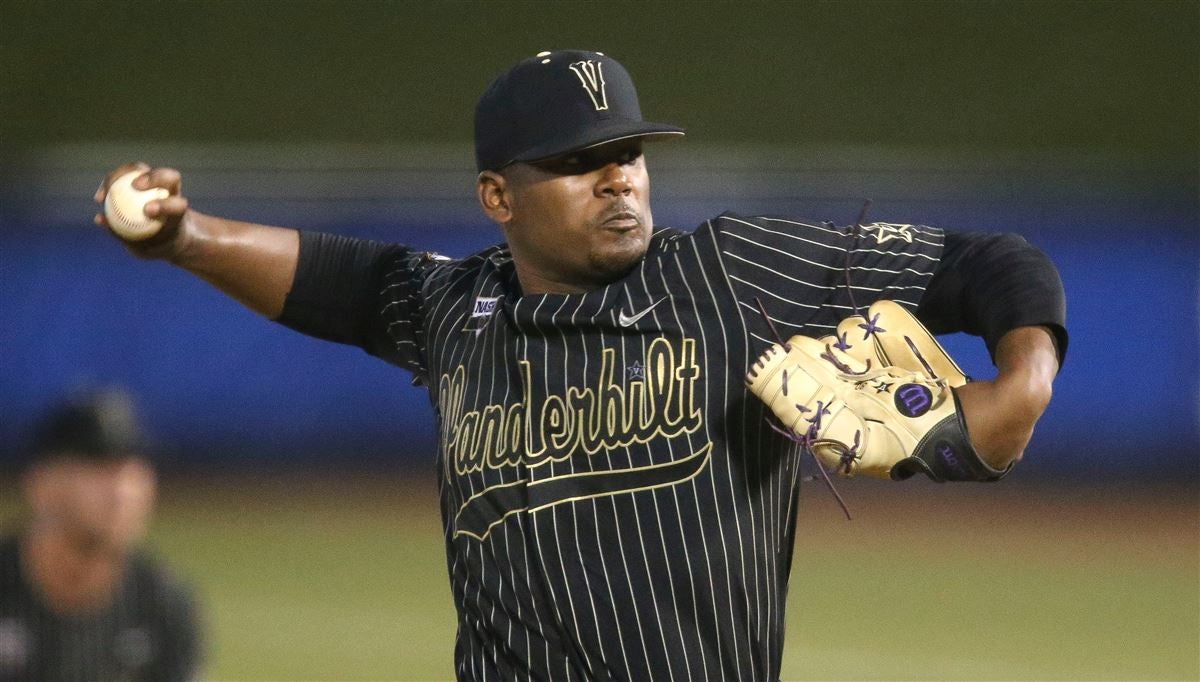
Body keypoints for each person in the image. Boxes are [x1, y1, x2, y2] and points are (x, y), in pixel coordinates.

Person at [93, 50, 1065, 680]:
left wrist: (1020, 386)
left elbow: (992, 264)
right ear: (496, 196)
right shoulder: (452, 308)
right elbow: (334, 280)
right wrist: (185, 235)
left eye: (630, 149)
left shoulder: (726, 274)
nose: (619, 174)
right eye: (578, 159)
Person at [0, 389, 204, 681]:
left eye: (132, 469)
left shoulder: (162, 605)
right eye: (98, 467)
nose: (122, 491)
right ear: (42, 484)